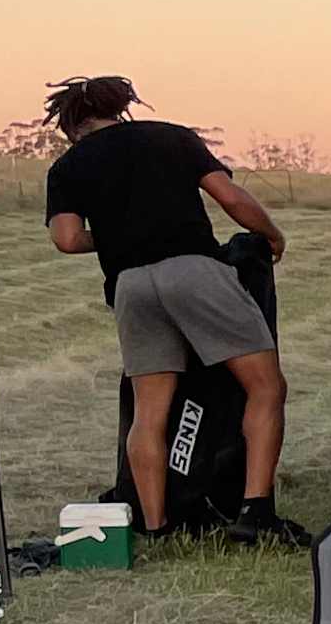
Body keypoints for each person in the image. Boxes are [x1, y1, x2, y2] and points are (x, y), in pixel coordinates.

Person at [36, 75, 308, 547]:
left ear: (72, 125)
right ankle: (255, 513)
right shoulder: (171, 136)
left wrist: (120, 234)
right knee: (265, 386)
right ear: (121, 107)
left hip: (131, 285)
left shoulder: (67, 166)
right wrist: (273, 235)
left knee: (149, 412)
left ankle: (158, 528)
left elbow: (65, 239)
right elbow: (231, 199)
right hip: (193, 270)